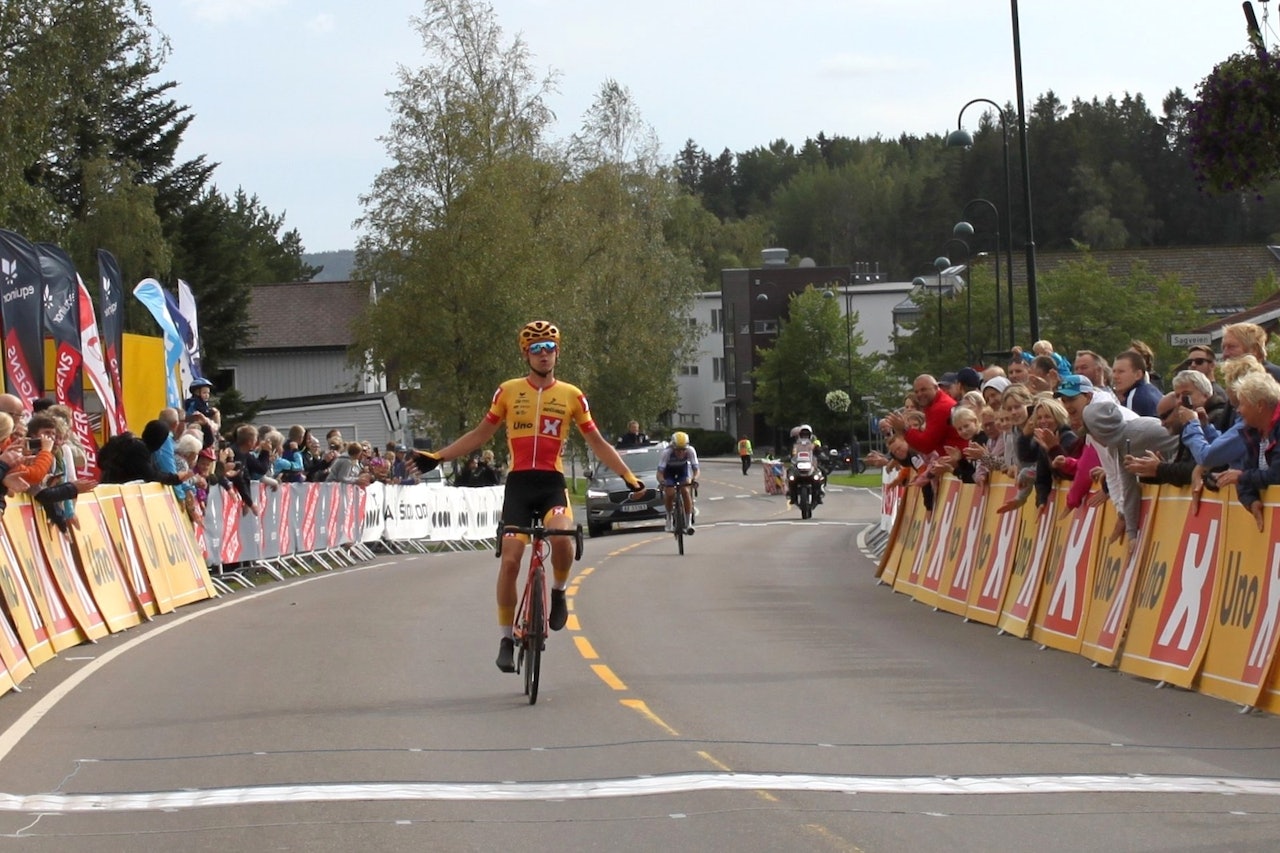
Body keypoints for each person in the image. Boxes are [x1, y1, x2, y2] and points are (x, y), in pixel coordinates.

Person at [408, 320, 646, 674]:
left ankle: (559, 592)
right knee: (510, 561)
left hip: (551, 482)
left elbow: (597, 442)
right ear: (526, 354)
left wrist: (627, 476)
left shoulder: (571, 395)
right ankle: (506, 637)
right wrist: (439, 456)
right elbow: (481, 433)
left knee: (563, 538)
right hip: (519, 484)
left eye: (549, 347)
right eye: (536, 348)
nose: (544, 353)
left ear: (558, 352)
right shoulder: (507, 391)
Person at [1212, 372, 1280, 531]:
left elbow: (1276, 475)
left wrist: (1241, 477)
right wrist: (1251, 500)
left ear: (1260, 405)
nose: (1238, 411)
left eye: (1242, 404)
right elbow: (1245, 471)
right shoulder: (1253, 431)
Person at [657, 431, 700, 534]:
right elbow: (659, 473)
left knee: (685, 490)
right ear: (673, 447)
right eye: (678, 450)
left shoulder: (690, 450)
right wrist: (662, 482)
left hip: (682, 471)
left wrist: (694, 479)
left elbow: (696, 470)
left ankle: (688, 523)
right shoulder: (667, 452)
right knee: (670, 493)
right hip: (669, 472)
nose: (680, 453)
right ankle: (669, 520)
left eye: (683, 450)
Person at [1112, 349, 1161, 417]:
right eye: (1114, 371)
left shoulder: (1134, 398)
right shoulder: (1152, 390)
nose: (1115, 376)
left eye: (1121, 372)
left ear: (1138, 375)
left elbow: (1129, 427)